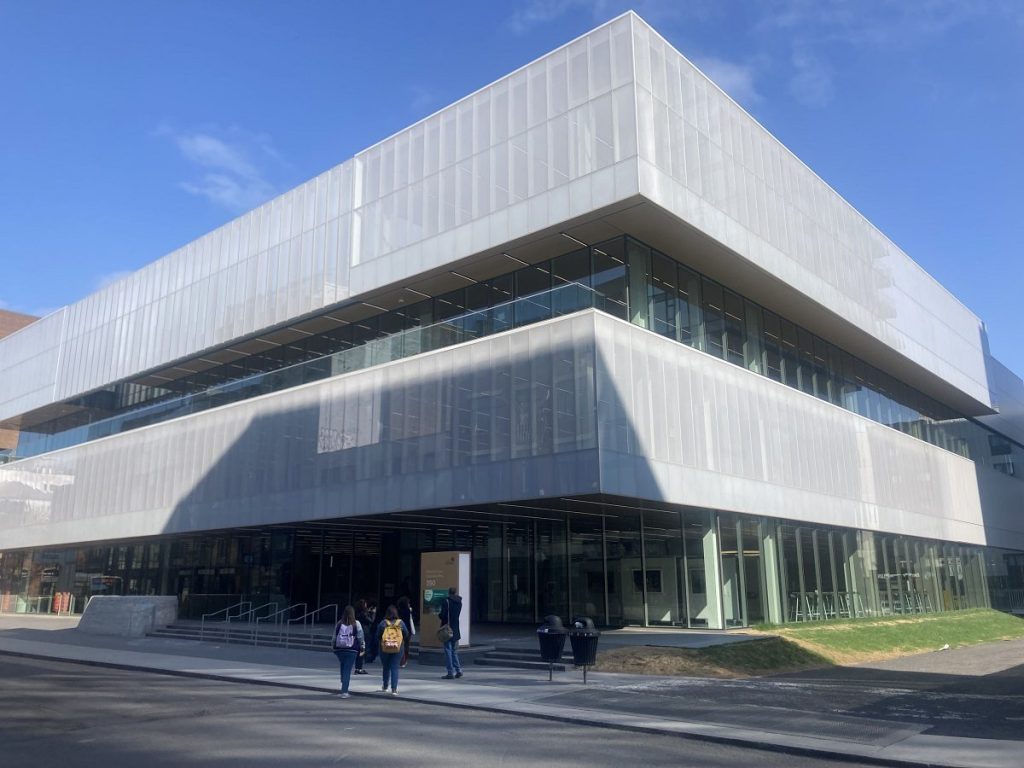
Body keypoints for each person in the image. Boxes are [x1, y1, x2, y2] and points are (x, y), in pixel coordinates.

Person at [331, 605, 365, 698]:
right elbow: (360, 636)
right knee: (347, 669)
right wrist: (362, 647)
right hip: (352, 649)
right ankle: (344, 691)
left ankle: (343, 683)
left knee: (343, 665)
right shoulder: (356, 623)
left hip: (340, 649)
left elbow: (334, 636)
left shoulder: (339, 623)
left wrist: (333, 647)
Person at [375, 604, 409, 695]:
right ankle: (394, 689)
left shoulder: (383, 623)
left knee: (386, 667)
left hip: (384, 648)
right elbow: (406, 634)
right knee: (395, 667)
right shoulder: (400, 623)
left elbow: (377, 635)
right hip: (398, 648)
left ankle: (385, 686)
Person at [438, 586, 463, 679]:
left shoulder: (446, 601)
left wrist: (439, 615)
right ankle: (458, 670)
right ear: (455, 592)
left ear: (449, 592)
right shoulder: (459, 602)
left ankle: (450, 672)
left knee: (448, 650)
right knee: (454, 651)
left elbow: (443, 615)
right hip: (455, 628)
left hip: (447, 629)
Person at [396, 595, 416, 668]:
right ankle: (404, 660)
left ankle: (401, 660)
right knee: (406, 645)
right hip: (407, 629)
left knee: (401, 645)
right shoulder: (408, 611)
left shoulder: (398, 611)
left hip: (400, 629)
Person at [354, 600, 371, 675]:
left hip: (357, 632)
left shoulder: (355, 613)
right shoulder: (363, 614)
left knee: (359, 650)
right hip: (364, 632)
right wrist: (372, 613)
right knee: (362, 650)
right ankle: (359, 668)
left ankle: (358, 667)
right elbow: (370, 621)